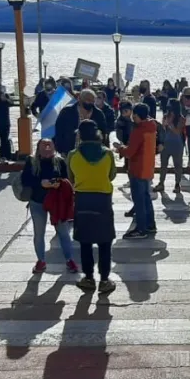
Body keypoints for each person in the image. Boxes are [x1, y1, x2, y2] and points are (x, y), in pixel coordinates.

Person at [69, 121, 118, 293]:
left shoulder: (73, 155)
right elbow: (112, 175)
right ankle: (104, 280)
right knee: (105, 242)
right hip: (103, 200)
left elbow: (71, 177)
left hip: (82, 199)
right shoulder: (108, 153)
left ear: (80, 135)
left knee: (85, 241)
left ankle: (88, 278)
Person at [23, 139, 76, 273]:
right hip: (37, 201)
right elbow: (25, 180)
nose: (47, 148)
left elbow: (66, 179)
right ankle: (41, 261)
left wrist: (59, 183)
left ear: (54, 148)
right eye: (44, 146)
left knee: (63, 232)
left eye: (49, 145)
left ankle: (69, 260)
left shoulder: (60, 161)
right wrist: (40, 183)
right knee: (39, 233)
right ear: (38, 148)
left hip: (56, 202)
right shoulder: (31, 161)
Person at [115, 104, 157, 239]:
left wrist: (120, 148)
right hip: (148, 167)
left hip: (138, 168)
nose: (132, 117)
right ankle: (150, 224)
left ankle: (141, 229)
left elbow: (130, 152)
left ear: (138, 115)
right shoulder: (151, 126)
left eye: (134, 115)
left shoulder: (138, 131)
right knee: (146, 198)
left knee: (139, 200)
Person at [55, 89, 107, 157]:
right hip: (69, 152)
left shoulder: (99, 114)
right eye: (88, 100)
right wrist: (61, 150)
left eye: (92, 101)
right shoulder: (67, 112)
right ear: (79, 99)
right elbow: (59, 131)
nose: (90, 102)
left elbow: (103, 133)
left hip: (92, 154)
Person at [156, 98, 185, 193]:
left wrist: (169, 124)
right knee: (163, 165)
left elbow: (177, 131)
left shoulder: (181, 118)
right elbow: (162, 130)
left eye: (170, 105)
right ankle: (161, 183)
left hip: (177, 144)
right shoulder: (165, 116)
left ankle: (177, 184)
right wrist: (163, 126)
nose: (168, 107)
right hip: (166, 143)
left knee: (177, 165)